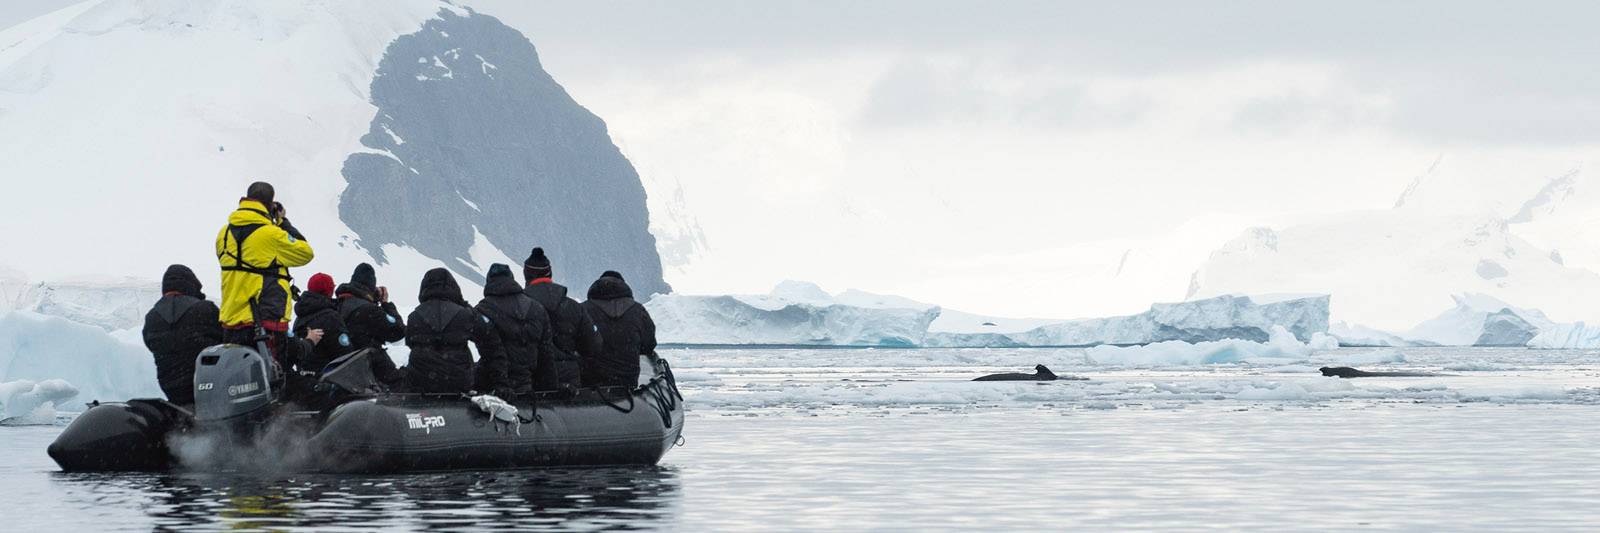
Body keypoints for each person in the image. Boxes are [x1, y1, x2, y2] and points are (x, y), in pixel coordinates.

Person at [214, 181, 315, 369]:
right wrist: (284, 222)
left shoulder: (223, 234)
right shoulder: (271, 234)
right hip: (265, 321)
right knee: (273, 378)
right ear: (270, 205)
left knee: (239, 376)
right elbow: (305, 253)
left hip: (231, 322)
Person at [403, 268, 506, 394]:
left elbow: (409, 342)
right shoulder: (465, 314)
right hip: (458, 383)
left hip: (420, 384)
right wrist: (500, 381)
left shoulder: (414, 316)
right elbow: (491, 344)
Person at [141, 265, 223, 405]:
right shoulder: (205, 309)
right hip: (210, 389)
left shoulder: (151, 317)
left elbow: (151, 345)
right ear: (191, 285)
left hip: (172, 391)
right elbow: (228, 341)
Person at [522, 247, 600, 392]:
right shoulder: (574, 307)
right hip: (568, 383)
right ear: (550, 273)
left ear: (526, 275)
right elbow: (593, 345)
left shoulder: (519, 308)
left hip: (529, 381)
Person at [475, 263, 556, 398]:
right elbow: (546, 354)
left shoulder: (483, 309)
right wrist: (550, 392)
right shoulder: (536, 308)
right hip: (527, 385)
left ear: (489, 281)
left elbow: (490, 353)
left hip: (494, 388)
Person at [581, 270, 657, 388]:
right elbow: (649, 345)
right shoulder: (638, 310)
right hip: (627, 381)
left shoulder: (582, 309)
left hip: (589, 382)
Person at [335, 263, 406, 385]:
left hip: (340, 371)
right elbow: (398, 332)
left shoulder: (334, 306)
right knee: (401, 383)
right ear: (371, 287)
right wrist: (386, 304)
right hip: (368, 370)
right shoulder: (370, 310)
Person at [292, 273, 348, 375]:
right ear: (329, 291)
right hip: (327, 379)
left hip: (303, 377)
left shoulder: (301, 315)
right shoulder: (330, 317)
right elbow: (344, 353)